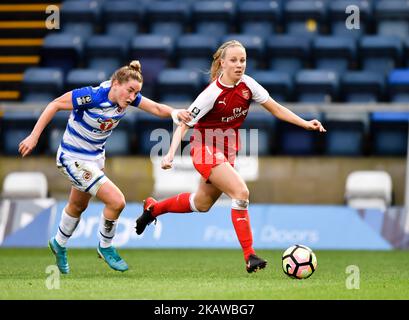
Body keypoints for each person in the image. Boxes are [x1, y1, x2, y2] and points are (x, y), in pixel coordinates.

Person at [135, 40, 326, 273]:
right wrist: (171, 154)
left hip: (227, 151)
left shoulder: (249, 85)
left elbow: (276, 108)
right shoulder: (211, 94)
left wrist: (305, 123)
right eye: (234, 60)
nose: (239, 65)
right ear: (222, 63)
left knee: (202, 203)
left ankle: (153, 209)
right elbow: (184, 124)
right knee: (241, 192)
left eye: (243, 60)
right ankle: (250, 256)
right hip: (204, 149)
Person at [18, 60, 191, 274]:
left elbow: (155, 107)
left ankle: (59, 243)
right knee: (117, 201)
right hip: (72, 157)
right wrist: (34, 137)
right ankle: (105, 246)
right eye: (129, 91)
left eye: (136, 93)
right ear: (115, 83)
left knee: (78, 206)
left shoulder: (128, 97)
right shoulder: (92, 96)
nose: (132, 97)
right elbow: (54, 104)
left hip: (95, 158)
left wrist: (175, 113)